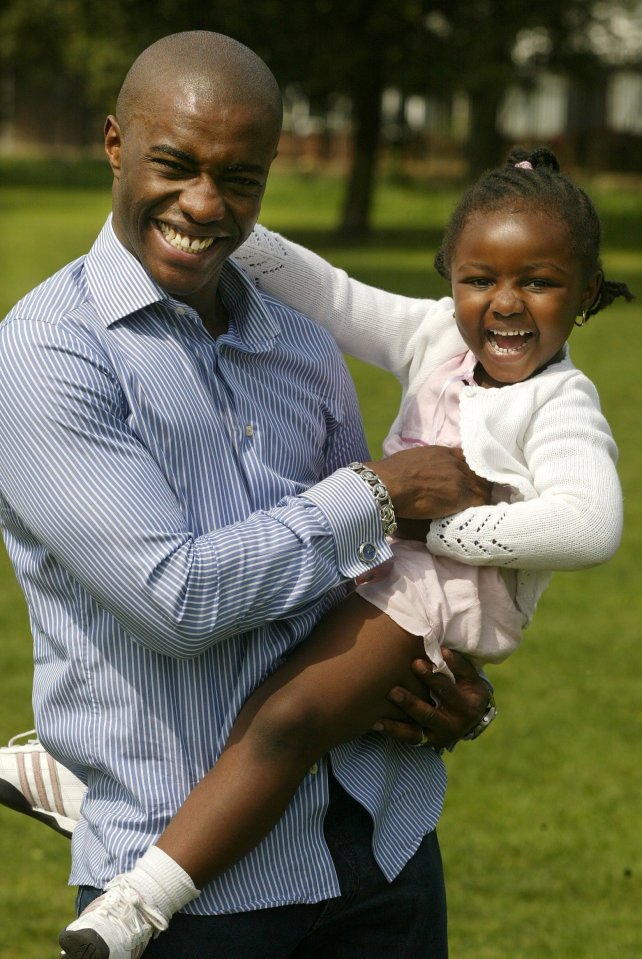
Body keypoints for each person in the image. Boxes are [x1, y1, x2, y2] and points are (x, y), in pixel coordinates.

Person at [56, 145, 628, 959]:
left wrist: (437, 529)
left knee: (288, 719)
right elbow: (331, 295)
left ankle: (137, 906)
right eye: (478, 279)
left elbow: (590, 524)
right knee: (259, 669)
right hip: (381, 566)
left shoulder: (559, 401)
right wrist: (234, 226)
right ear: (450, 277)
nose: (504, 304)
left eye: (538, 283)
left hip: (430, 603)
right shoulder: (441, 337)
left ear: (587, 297)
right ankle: (94, 777)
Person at [0, 30, 493, 959]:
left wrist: (453, 691)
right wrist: (375, 495)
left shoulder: (301, 346)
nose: (204, 204)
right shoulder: (47, 356)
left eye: (240, 179)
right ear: (115, 144)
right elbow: (173, 598)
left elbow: (375, 587)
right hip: (195, 884)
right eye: (175, 165)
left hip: (382, 846)